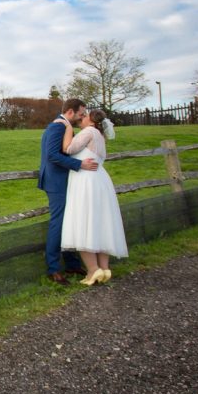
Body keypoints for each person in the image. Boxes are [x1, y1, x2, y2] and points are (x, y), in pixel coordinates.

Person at [60, 109, 128, 285]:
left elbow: (68, 149)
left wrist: (68, 128)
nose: (82, 117)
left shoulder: (89, 132)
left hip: (86, 181)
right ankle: (104, 268)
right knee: (100, 223)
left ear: (92, 120)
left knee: (84, 222)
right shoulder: (100, 135)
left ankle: (92, 270)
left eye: (85, 115)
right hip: (101, 181)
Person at [38, 98, 98, 285]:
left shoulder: (66, 127)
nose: (82, 117)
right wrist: (79, 164)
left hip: (66, 181)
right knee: (58, 222)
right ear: (70, 112)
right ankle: (53, 269)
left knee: (70, 221)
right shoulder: (58, 127)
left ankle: (72, 263)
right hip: (56, 182)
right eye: (81, 114)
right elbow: (52, 155)